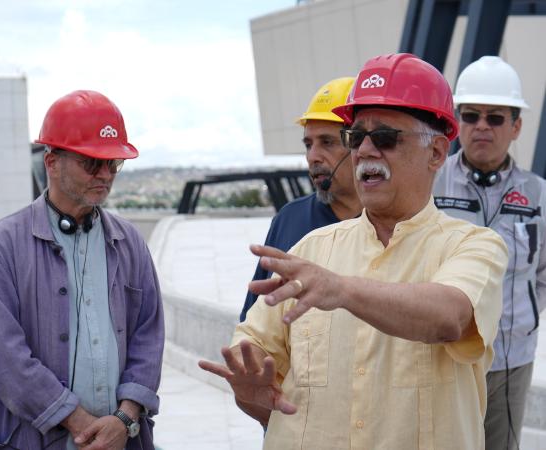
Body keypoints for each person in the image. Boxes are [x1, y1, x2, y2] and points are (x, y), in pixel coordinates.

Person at [200, 53, 510, 450]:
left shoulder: (474, 245)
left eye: (384, 137)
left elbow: (449, 316)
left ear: (436, 153)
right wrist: (249, 387)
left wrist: (342, 290)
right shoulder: (310, 249)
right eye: (355, 137)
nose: (364, 150)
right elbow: (254, 351)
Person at [0, 90, 164, 449]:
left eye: (113, 164)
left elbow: (149, 337)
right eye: (91, 162)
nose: (105, 174)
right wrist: (78, 422)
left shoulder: (131, 242)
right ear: (51, 162)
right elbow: (5, 357)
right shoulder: (4, 245)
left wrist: (124, 419)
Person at [433, 55, 546, 450]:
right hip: (443, 354)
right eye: (471, 115)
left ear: (516, 127)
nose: (482, 126)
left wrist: (523, 317)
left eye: (495, 118)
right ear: (456, 122)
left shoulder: (538, 194)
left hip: (511, 360)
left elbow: (543, 272)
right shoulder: (429, 184)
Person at [240, 77, 361, 322]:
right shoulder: (289, 218)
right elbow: (253, 319)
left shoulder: (393, 224)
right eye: (308, 144)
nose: (313, 156)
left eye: (327, 142)